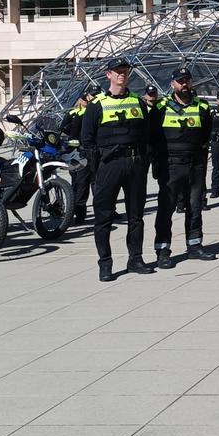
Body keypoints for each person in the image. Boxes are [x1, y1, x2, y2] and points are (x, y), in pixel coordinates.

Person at [80, 57, 156, 282]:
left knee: (136, 216)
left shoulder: (138, 102)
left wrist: (144, 161)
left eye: (124, 71)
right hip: (109, 165)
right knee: (103, 218)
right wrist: (97, 168)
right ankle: (105, 264)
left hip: (134, 164)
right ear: (108, 75)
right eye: (117, 71)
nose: (122, 74)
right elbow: (87, 140)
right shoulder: (97, 104)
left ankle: (136, 259)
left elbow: (147, 135)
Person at [151, 67, 216, 267]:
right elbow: (152, 138)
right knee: (166, 209)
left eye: (187, 80)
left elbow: (207, 135)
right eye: (180, 81)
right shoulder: (161, 108)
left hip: (195, 166)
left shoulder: (202, 107)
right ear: (172, 84)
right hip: (170, 167)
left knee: (195, 207)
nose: (184, 84)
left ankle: (194, 245)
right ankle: (163, 250)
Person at [61, 85, 102, 223]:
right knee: (81, 184)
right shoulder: (77, 114)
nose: (88, 100)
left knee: (99, 184)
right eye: (86, 98)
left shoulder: (99, 110)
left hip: (97, 151)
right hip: (81, 152)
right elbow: (66, 132)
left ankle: (104, 211)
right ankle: (79, 214)